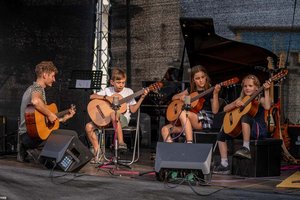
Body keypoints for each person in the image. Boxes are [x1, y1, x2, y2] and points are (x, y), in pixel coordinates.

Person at [85, 68, 149, 163]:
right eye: (118, 82)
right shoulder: (108, 90)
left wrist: (142, 97)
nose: (121, 85)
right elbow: (91, 96)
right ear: (112, 82)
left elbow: (133, 110)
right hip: (106, 120)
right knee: (88, 126)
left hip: (122, 120)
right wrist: (106, 97)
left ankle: (121, 143)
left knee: (113, 114)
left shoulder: (129, 92)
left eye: (123, 82)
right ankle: (98, 153)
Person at [18, 61, 76, 162]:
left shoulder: (32, 89)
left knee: (65, 134)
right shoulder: (37, 88)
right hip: (31, 137)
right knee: (72, 135)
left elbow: (41, 122)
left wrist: (62, 118)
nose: (54, 80)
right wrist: (49, 114)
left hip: (29, 136)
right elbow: (35, 101)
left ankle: (30, 150)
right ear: (45, 75)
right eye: (53, 76)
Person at [213, 74, 271, 174]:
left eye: (250, 86)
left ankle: (246, 147)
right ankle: (224, 164)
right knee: (221, 135)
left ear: (257, 87)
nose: (247, 88)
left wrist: (266, 90)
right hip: (243, 130)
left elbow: (267, 106)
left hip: (257, 130)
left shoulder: (258, 99)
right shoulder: (241, 99)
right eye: (245, 86)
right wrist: (234, 104)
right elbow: (225, 109)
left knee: (245, 117)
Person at [161, 65, 221, 143]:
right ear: (193, 80)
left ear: (206, 77)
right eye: (197, 78)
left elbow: (215, 111)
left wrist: (215, 94)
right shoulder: (190, 90)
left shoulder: (210, 91)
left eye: (203, 77)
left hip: (203, 120)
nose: (201, 80)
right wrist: (181, 97)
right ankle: (173, 152)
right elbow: (174, 97)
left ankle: (189, 144)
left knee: (183, 113)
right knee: (165, 129)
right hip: (187, 121)